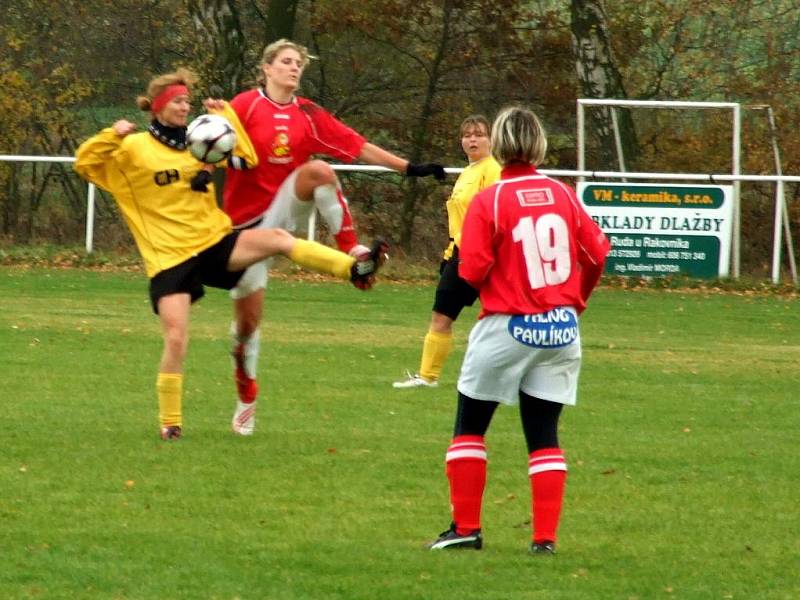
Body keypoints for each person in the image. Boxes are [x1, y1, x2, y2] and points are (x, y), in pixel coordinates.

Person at [74, 68, 387, 441]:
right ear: (158, 106)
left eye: (186, 101)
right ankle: (171, 423)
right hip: (169, 257)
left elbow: (247, 156)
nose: (184, 106)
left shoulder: (197, 140)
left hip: (213, 242)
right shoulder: (132, 149)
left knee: (276, 238)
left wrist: (225, 117)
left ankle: (354, 268)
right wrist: (112, 135)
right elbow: (85, 163)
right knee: (176, 338)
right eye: (177, 101)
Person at [223, 39, 445, 435]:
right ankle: (246, 396)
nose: (294, 68)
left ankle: (352, 250)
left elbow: (356, 145)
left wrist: (408, 168)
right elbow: (207, 142)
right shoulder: (244, 106)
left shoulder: (307, 114)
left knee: (320, 171)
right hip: (241, 228)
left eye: (299, 64)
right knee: (245, 328)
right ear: (267, 68)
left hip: (283, 210)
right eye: (286, 62)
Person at [426, 106, 610, 554]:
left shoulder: (491, 198)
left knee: (470, 426)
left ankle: (466, 529)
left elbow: (472, 268)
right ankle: (544, 539)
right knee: (543, 432)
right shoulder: (563, 193)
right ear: (540, 144)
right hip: (562, 328)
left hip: (507, 324)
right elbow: (598, 253)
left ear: (500, 144)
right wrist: (575, 302)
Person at [393, 115, 501, 389]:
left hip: (475, 255)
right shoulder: (469, 171)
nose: (472, 139)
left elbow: (493, 214)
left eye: (478, 134)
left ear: (492, 139)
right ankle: (429, 376)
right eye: (467, 134)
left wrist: (467, 249)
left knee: (448, 315)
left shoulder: (492, 171)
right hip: (459, 251)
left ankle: (429, 377)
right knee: (449, 315)